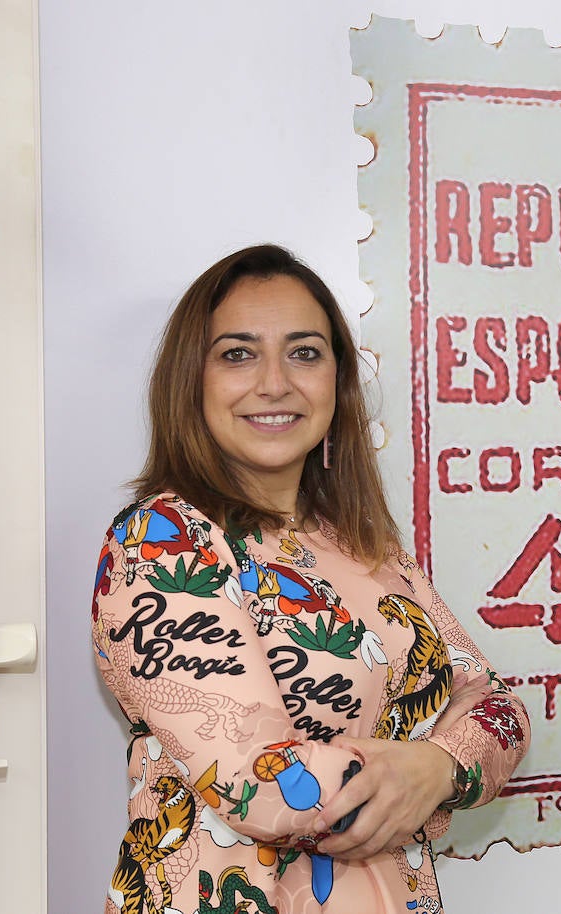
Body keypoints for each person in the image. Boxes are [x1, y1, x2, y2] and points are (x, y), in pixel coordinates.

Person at [91, 244, 529, 913]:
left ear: (338, 381)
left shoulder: (366, 546)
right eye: (238, 353)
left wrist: (439, 765)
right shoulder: (161, 542)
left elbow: (498, 706)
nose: (274, 382)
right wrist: (424, 770)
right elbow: (258, 783)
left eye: (304, 352)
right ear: (192, 380)